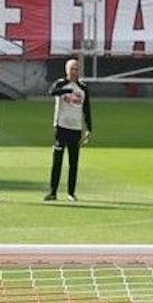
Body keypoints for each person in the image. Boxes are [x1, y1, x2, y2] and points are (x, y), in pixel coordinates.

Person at [45, 56, 93, 200]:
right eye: (72, 69)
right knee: (57, 161)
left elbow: (87, 109)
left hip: (76, 128)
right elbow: (51, 92)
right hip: (61, 126)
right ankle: (53, 192)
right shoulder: (61, 83)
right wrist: (66, 91)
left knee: (73, 162)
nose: (74, 71)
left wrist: (89, 128)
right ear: (67, 70)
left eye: (77, 69)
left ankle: (71, 192)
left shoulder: (83, 87)